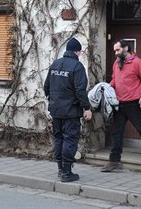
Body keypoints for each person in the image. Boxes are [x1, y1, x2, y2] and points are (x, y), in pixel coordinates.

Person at [101, 39, 141, 172]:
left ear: (126, 48)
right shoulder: (117, 64)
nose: (116, 53)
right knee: (116, 132)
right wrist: (106, 88)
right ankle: (114, 160)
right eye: (114, 50)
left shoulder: (137, 63)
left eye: (118, 50)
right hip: (119, 104)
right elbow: (115, 80)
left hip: (133, 104)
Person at [44, 37, 92, 182]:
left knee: (59, 138)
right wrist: (87, 108)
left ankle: (60, 169)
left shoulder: (55, 64)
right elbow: (80, 91)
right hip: (71, 111)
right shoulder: (77, 67)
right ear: (77, 51)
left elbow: (47, 87)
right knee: (70, 139)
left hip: (56, 110)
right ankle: (66, 172)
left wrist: (53, 100)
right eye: (80, 52)